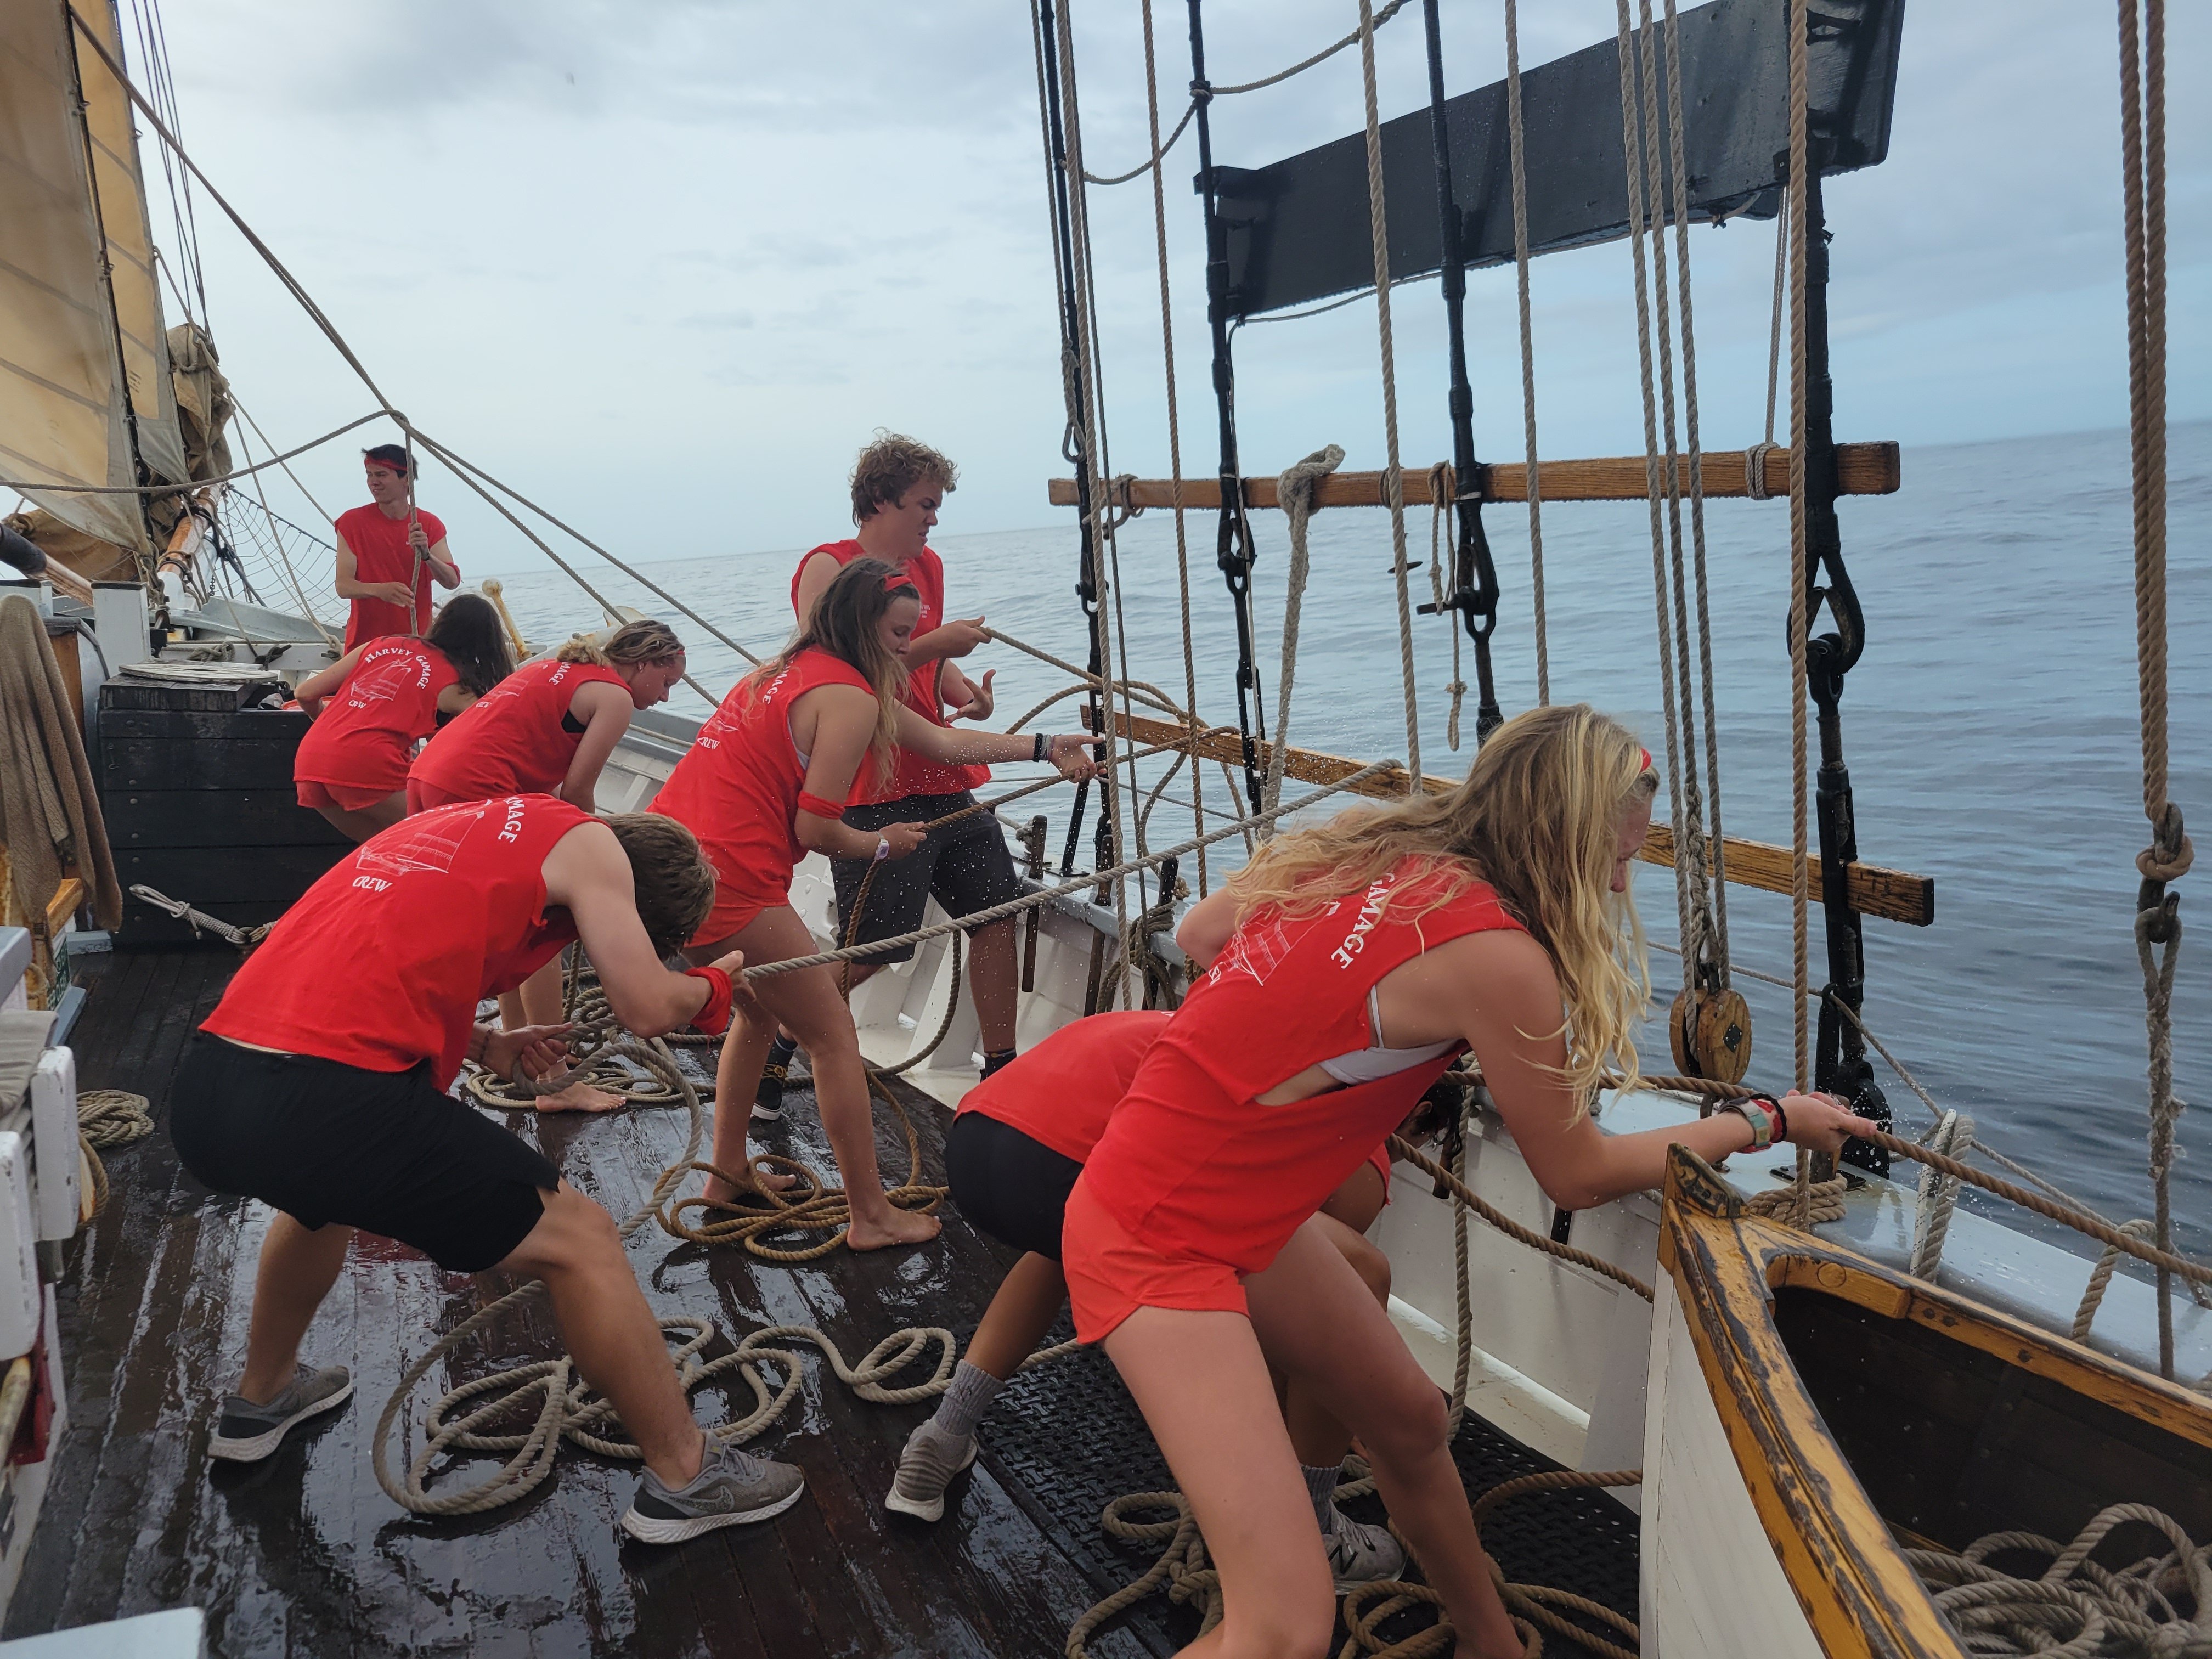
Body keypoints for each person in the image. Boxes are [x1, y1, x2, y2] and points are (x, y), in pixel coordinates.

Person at [1058, 703, 1880, 1659]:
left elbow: (1203, 932)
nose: (1620, 881)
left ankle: (1491, 1641)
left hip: (1207, 1199)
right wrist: (1766, 1118)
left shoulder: (1362, 847)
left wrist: (1336, 1030)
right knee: (1283, 1623)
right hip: (1156, 1234)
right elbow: (1576, 1172)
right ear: (1561, 838)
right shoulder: (1501, 959)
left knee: (1407, 1418)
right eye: (1615, 860)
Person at [173, 799, 808, 1542]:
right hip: (326, 1101)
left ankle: (261, 1399)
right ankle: (687, 1474)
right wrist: (712, 985)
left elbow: (367, 956)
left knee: (318, 1193)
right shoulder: (595, 849)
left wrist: (481, 1043)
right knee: (582, 1240)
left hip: (213, 1093)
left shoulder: (458, 829)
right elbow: (645, 1005)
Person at [651, 557, 1094, 1251]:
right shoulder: (850, 699)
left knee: (759, 1012)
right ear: (860, 625)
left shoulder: (781, 672)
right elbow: (816, 831)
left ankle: (728, 1173)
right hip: (732, 876)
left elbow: (945, 742)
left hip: (676, 862)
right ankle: (870, 1214)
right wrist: (883, 844)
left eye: (911, 632)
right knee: (832, 1037)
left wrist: (1045, 745)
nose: (905, 647)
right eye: (896, 633)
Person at [891, 1008, 1409, 1593]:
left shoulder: (1236, 1035)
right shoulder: (1359, 1130)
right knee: (1361, 1272)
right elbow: (1307, 1308)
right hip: (1067, 1159)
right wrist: (1337, 1410)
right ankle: (1316, 1531)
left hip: (981, 1137)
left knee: (1064, 1244)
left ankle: (943, 1434)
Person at [763, 433, 1014, 1118]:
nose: (934, 519)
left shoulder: (926, 565)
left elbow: (919, 653)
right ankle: (776, 1046)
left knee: (998, 914)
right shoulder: (829, 568)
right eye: (925, 504)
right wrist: (939, 644)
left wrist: (963, 691)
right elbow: (834, 671)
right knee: (876, 947)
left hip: (943, 777)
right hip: (874, 786)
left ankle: (1002, 1073)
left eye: (938, 507)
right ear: (881, 499)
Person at [410, 617, 689, 1111]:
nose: (666, 697)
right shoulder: (616, 698)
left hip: (434, 773)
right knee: (537, 918)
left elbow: (536, 763)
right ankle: (556, 1081)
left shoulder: (562, 667)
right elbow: (579, 792)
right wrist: (603, 859)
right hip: (477, 784)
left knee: (513, 917)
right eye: (667, 682)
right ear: (644, 662)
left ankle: (520, 1051)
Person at [291, 592, 514, 841]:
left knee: (384, 851)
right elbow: (472, 750)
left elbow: (305, 693)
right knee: (439, 840)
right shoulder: (460, 689)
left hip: (310, 761)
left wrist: (336, 737)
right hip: (366, 763)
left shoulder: (380, 645)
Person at [335, 445, 461, 650]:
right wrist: (380, 590)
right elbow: (343, 586)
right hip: (366, 647)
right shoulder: (351, 523)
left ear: (406, 480)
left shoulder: (428, 524)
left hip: (418, 645)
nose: (373, 482)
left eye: (381, 475)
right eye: (369, 475)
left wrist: (427, 556)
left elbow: (452, 581)